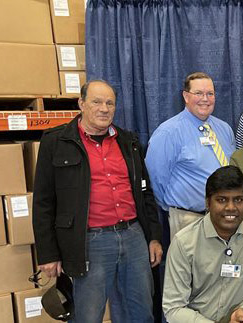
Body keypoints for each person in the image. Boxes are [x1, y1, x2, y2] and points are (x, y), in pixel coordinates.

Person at [33, 80, 163, 322]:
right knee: (88, 315)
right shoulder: (56, 142)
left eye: (110, 103)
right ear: (81, 104)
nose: (104, 108)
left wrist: (153, 236)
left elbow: (145, 192)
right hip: (89, 242)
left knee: (141, 311)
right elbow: (43, 203)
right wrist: (48, 254)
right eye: (97, 102)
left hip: (133, 237)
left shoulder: (129, 142)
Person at [162, 166, 243, 323]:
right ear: (207, 203)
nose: (231, 207)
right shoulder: (184, 242)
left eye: (238, 200)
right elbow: (174, 308)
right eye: (222, 200)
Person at [146, 72, 235, 238]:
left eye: (210, 93)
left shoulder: (225, 129)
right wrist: (173, 208)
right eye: (199, 93)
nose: (205, 99)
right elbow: (156, 177)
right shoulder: (168, 132)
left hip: (225, 217)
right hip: (189, 218)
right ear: (186, 96)